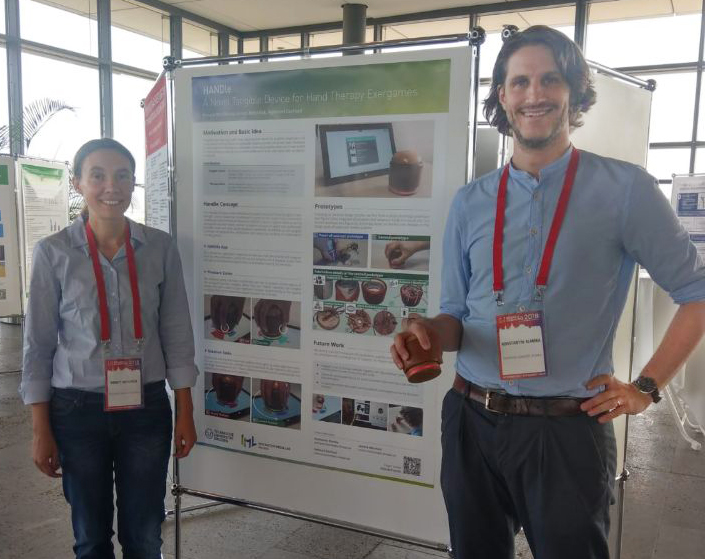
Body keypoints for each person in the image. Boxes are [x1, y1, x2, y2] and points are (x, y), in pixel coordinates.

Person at [391, 25, 705, 559]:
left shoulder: (625, 190)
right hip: (471, 419)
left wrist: (645, 389)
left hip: (565, 431)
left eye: (549, 79)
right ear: (502, 97)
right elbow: (454, 315)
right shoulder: (470, 201)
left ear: (574, 93)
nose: (534, 94)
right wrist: (426, 332)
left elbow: (696, 293)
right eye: (519, 82)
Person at [20, 138, 199, 559]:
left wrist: (185, 411)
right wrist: (40, 430)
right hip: (77, 411)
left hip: (146, 409)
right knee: (90, 536)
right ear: (79, 183)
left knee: (144, 535)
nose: (110, 186)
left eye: (121, 175)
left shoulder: (159, 247)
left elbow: (176, 331)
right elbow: (38, 345)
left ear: (134, 183)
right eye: (97, 175)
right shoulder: (54, 253)